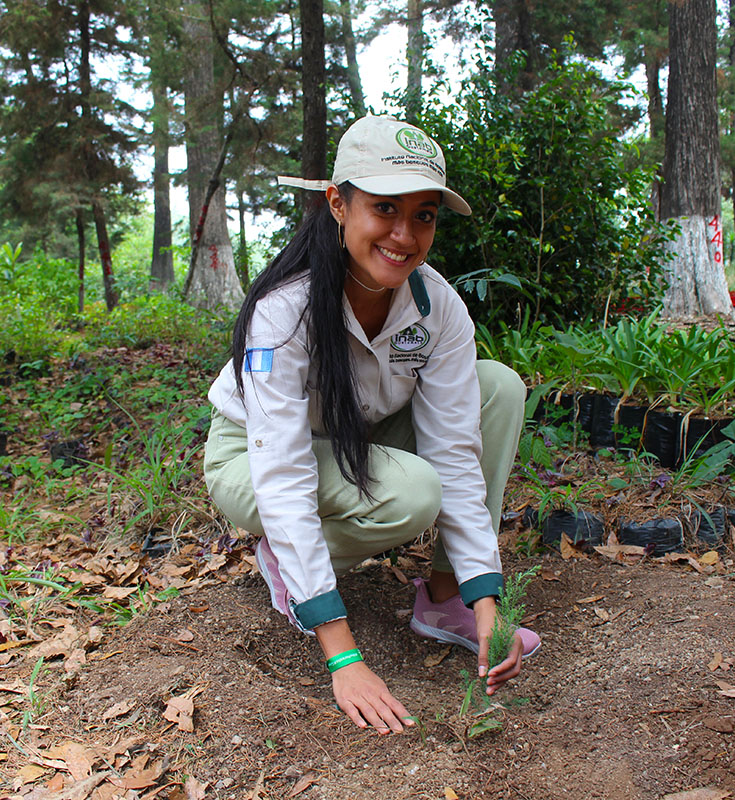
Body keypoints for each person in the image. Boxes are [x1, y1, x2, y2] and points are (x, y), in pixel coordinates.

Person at [203, 115, 539, 735]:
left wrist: (482, 594)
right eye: (384, 208)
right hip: (251, 461)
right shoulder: (287, 309)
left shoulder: (436, 306)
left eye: (424, 215)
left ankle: (442, 603)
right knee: (413, 494)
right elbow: (280, 468)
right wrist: (344, 655)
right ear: (338, 202)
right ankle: (291, 566)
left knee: (497, 387)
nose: (404, 235)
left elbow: (457, 449)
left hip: (357, 437)